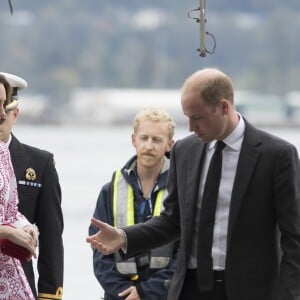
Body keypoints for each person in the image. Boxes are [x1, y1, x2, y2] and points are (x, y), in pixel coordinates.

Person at [86, 68, 300, 300]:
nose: (190, 127)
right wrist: (124, 237)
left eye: (196, 118)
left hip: (250, 292)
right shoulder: (184, 150)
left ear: (224, 107)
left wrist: (287, 295)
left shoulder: (277, 155)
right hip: (188, 289)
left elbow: (294, 237)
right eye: (187, 117)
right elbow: (172, 221)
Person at [88, 106, 179, 300]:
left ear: (169, 145)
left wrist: (147, 292)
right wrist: (125, 293)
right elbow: (99, 252)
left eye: (157, 140)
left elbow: (186, 253)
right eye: (144, 138)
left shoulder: (181, 189)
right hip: (119, 296)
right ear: (133, 140)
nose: (149, 146)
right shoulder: (110, 191)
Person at [0, 72, 64, 300]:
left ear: (14, 113)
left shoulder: (40, 163)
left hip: (17, 286)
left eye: (3, 112)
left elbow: (51, 236)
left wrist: (49, 295)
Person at [0, 74, 39, 300]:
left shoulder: (2, 152)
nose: (3, 113)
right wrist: (6, 232)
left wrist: (26, 229)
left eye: (4, 104)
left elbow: (11, 209)